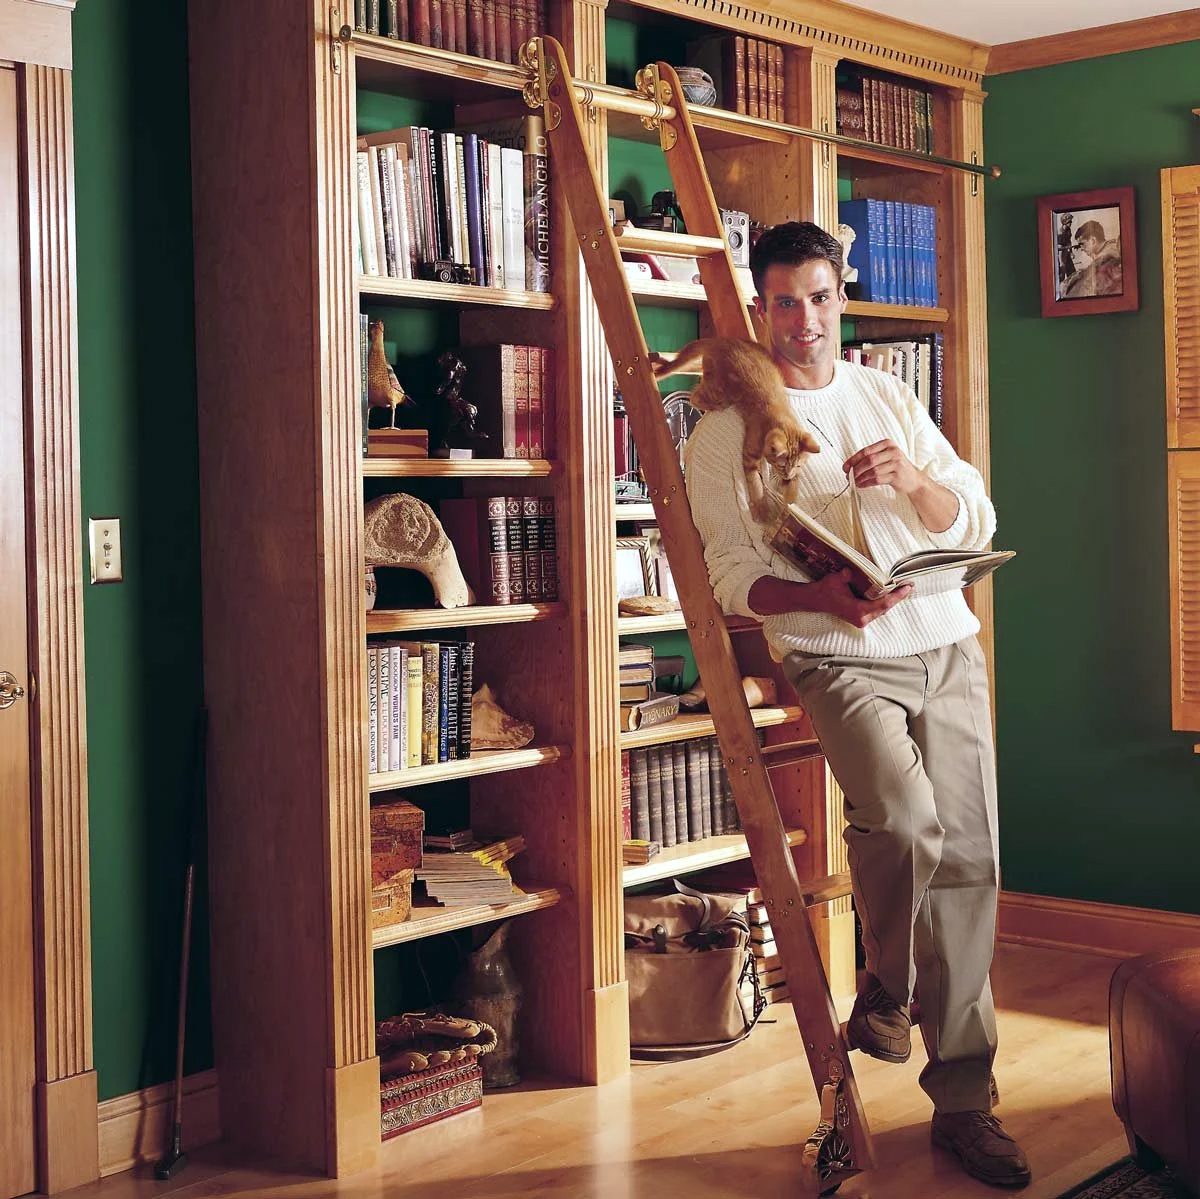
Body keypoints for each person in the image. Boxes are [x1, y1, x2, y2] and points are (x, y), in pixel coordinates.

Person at [684, 222, 1030, 1189]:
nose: (805, 321)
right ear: (760, 309)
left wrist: (916, 482)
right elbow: (727, 575)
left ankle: (966, 1101)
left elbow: (974, 513)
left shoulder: (887, 393)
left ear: (845, 299)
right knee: (909, 826)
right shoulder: (723, 432)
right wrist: (818, 598)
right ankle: (886, 972)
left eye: (822, 298)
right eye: (785, 302)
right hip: (839, 656)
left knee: (970, 859)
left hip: (944, 642)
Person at [1061, 218, 1122, 298]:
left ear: (1093, 241)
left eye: (1082, 244)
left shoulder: (1108, 255)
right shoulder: (1111, 247)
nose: (1082, 248)